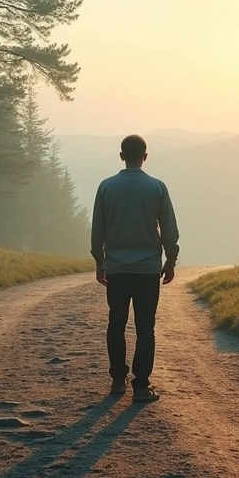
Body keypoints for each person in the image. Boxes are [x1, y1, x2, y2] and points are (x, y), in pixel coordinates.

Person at [90, 134, 180, 403]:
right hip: (148, 269)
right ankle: (141, 386)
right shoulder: (157, 187)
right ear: (145, 156)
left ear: (121, 156)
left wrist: (99, 261)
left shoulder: (106, 187)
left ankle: (118, 380)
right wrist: (171, 260)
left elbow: (98, 230)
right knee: (145, 327)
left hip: (116, 268)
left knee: (116, 323)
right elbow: (169, 228)